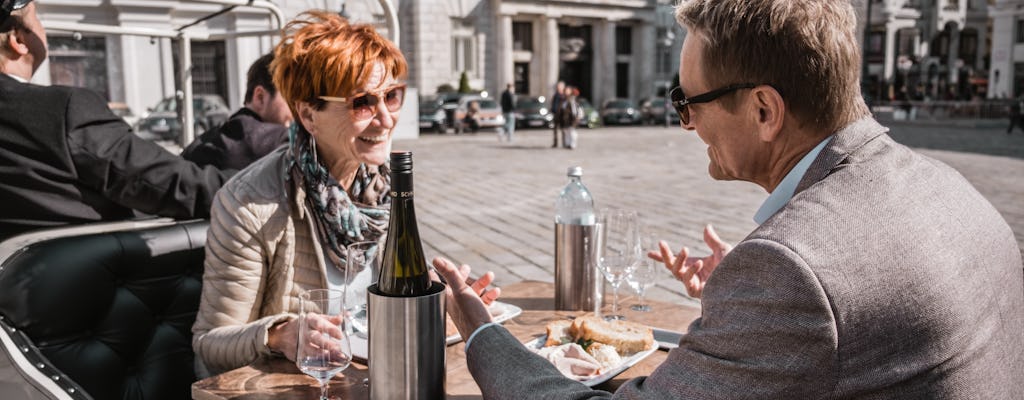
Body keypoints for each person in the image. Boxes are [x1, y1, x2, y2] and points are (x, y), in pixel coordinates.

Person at [435, 0, 1024, 398]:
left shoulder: (793, 268)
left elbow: (817, 285)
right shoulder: (949, 185)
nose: (686, 123)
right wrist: (748, 307)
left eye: (689, 101)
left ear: (765, 110)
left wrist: (483, 334)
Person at [190, 11, 499, 378]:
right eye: (363, 102)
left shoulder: (382, 189)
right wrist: (277, 335)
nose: (385, 118)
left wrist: (439, 302)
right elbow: (209, 342)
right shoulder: (248, 204)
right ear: (308, 115)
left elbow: (383, 312)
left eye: (392, 96)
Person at [0, 0, 232, 241]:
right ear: (19, 40)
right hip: (105, 271)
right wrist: (257, 186)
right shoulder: (60, 110)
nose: (43, 29)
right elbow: (169, 185)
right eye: (38, 19)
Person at [181, 53, 292, 170]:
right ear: (260, 97)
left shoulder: (222, 133)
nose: (302, 108)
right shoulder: (259, 140)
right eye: (293, 98)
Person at [549, 80, 565, 148]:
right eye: (558, 86)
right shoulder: (556, 95)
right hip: (556, 114)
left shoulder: (564, 95)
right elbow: (553, 104)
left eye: (560, 86)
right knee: (555, 130)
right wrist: (553, 111)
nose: (558, 87)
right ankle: (555, 143)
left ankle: (565, 142)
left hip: (562, 114)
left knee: (564, 129)